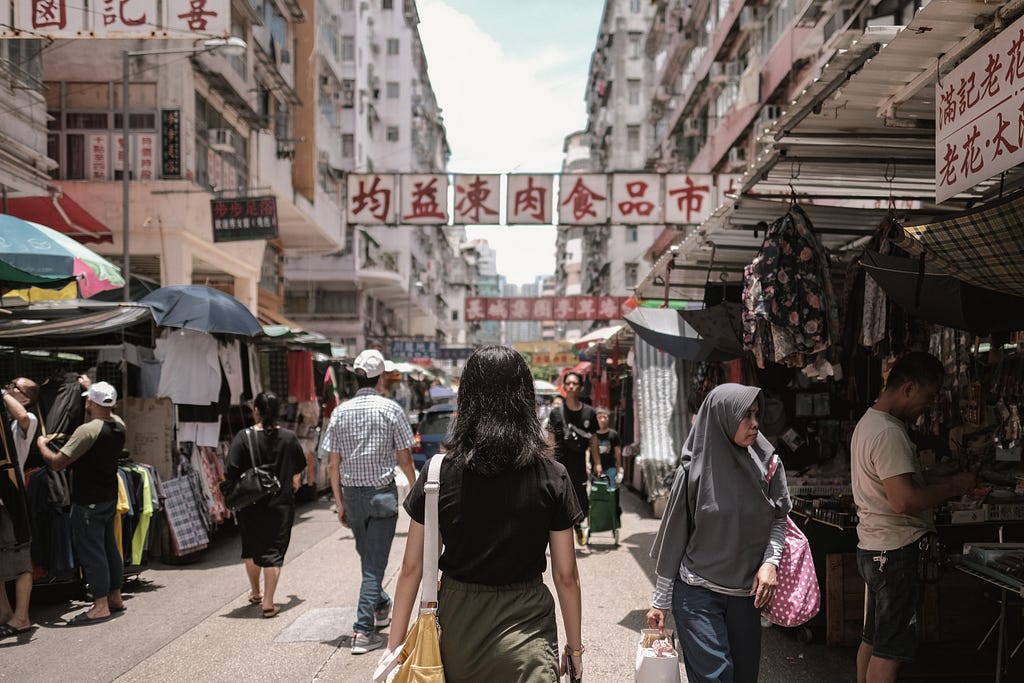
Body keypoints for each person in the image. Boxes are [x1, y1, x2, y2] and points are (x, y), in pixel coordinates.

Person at [387, 346, 584, 681]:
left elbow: (412, 568)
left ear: (467, 397)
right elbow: (566, 576)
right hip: (528, 628)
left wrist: (393, 651)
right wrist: (575, 649)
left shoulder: (438, 474)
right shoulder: (552, 474)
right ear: (525, 399)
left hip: (457, 628)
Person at [647, 383, 791, 683]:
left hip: (746, 596)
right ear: (721, 417)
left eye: (756, 414)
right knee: (716, 678)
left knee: (744, 677)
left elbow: (778, 518)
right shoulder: (693, 473)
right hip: (697, 593)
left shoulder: (768, 465)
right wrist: (660, 600)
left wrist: (770, 562)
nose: (755, 424)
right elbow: (674, 538)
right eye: (745, 416)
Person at [851, 352, 975, 683]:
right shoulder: (889, 432)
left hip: (875, 549)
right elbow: (903, 500)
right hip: (896, 554)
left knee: (873, 639)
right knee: (889, 653)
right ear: (909, 388)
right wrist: (955, 485)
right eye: (929, 395)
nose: (930, 405)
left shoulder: (869, 423)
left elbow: (893, 482)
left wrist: (931, 475)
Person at [323, 349, 416, 655]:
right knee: (373, 565)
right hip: (381, 496)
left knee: (369, 561)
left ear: (356, 376)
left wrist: (340, 503)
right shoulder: (390, 410)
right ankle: (363, 631)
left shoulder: (340, 412)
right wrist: (416, 491)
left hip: (353, 497)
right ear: (381, 378)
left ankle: (382, 603)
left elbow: (332, 464)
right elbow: (404, 459)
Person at [37, 379, 127, 626]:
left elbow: (57, 462)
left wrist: (42, 446)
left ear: (89, 402)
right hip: (108, 497)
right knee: (109, 549)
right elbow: (109, 412)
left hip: (88, 501)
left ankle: (100, 606)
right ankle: (115, 597)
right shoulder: (119, 425)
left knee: (92, 552)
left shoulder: (87, 431)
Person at [223, 392, 306, 619]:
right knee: (274, 552)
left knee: (251, 548)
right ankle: (268, 602)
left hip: (250, 503)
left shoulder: (243, 437)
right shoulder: (289, 437)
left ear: (256, 411)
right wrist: (293, 478)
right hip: (281, 505)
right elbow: (300, 464)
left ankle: (256, 592)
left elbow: (230, 470)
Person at [0, 377, 39, 640]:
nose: (10, 387)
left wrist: (2, 393)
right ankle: (4, 613)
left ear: (24, 397)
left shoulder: (26, 421)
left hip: (10, 501)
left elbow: (22, 415)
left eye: (15, 387)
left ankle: (22, 617)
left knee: (19, 557)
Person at [546, 371, 597, 546]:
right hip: (559, 465)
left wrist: (596, 463)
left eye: (575, 384)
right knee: (557, 500)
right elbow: (550, 439)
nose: (571, 386)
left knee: (582, 501)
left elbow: (593, 440)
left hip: (579, 466)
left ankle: (576, 526)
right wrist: (548, 463)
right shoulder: (556, 413)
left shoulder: (589, 412)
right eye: (568, 383)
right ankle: (561, 534)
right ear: (564, 386)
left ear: (581, 387)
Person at [592, 407, 623, 489]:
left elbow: (617, 451)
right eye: (600, 417)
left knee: (610, 489)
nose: (602, 420)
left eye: (605, 417)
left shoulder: (613, 435)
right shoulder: (592, 435)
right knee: (596, 490)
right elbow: (588, 450)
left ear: (608, 418)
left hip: (610, 467)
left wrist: (620, 467)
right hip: (595, 467)